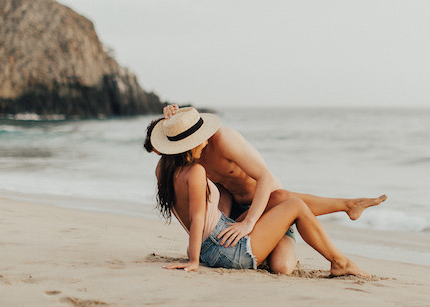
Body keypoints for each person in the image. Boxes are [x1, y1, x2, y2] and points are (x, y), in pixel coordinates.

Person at [145, 105, 387, 274]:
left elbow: (266, 178)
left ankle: (347, 205)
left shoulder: (221, 141)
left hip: (265, 201)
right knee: (281, 267)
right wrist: (169, 122)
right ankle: (337, 260)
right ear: (185, 142)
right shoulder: (191, 166)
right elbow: (202, 210)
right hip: (233, 223)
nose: (206, 138)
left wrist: (249, 223)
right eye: (198, 136)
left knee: (281, 198)